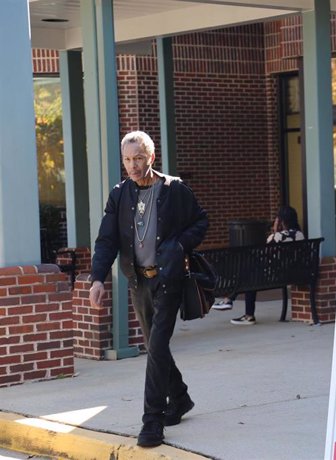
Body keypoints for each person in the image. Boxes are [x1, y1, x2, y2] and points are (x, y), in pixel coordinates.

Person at [88, 131, 208, 448]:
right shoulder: (119, 195)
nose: (133, 165)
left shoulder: (174, 190)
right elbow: (107, 240)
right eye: (127, 159)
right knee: (156, 347)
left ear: (150, 157)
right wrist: (97, 278)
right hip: (138, 281)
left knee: (155, 348)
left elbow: (201, 221)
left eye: (138, 158)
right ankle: (180, 398)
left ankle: (152, 421)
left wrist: (179, 245)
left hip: (168, 279)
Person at [230, 205, 304, 325]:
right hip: (296, 274)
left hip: (275, 276)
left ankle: (242, 309)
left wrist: (275, 231)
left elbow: (265, 254)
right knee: (251, 272)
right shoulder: (300, 235)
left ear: (281, 221)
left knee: (250, 274)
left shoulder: (277, 237)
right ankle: (230, 299)